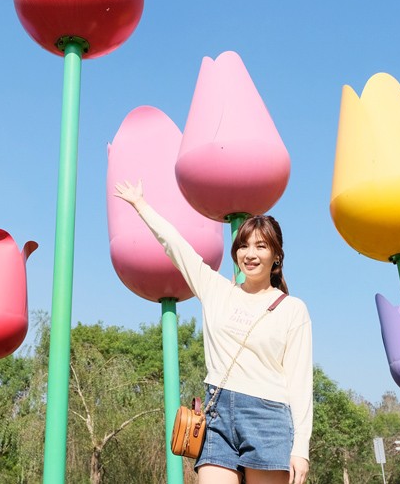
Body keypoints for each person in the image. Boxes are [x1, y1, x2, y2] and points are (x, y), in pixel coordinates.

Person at [114, 180, 312, 484]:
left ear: (276, 256)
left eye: (261, 246)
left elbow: (300, 384)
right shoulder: (216, 289)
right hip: (217, 413)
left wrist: (301, 449)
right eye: (244, 245)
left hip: (268, 418)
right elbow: (176, 247)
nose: (250, 253)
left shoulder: (292, 309)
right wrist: (141, 205)